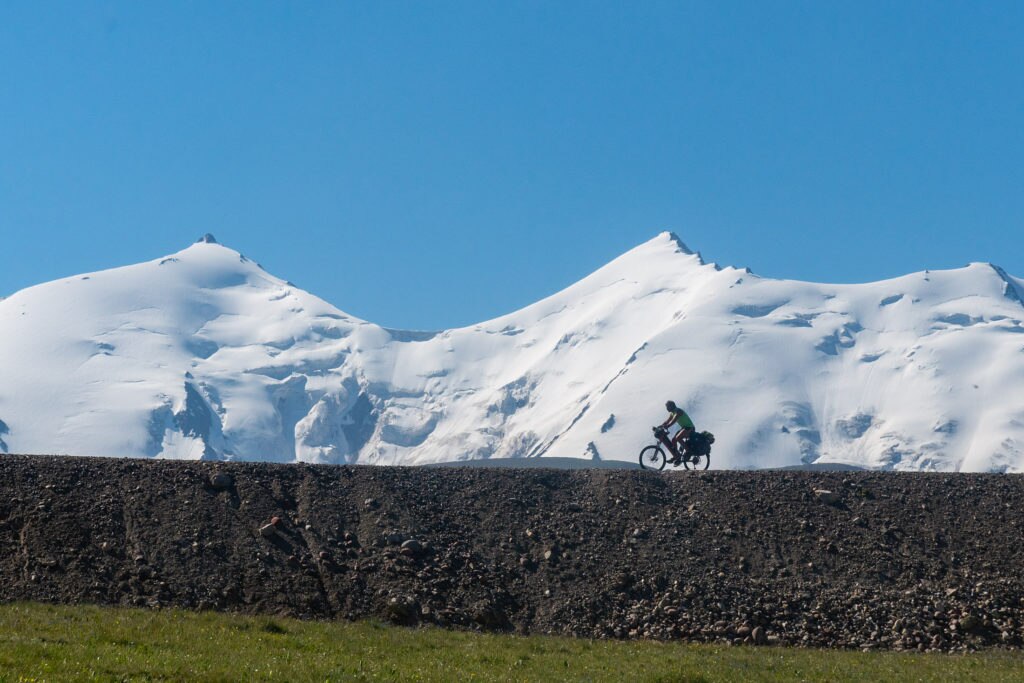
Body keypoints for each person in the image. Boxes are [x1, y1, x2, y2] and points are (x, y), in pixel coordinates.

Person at [659, 400, 695, 465]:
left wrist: (668, 426)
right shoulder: (672, 413)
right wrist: (660, 426)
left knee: (678, 438)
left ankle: (688, 451)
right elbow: (667, 421)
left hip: (690, 428)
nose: (666, 408)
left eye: (667, 406)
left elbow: (674, 419)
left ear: (671, 406)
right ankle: (676, 456)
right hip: (684, 428)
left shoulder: (678, 411)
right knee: (673, 440)